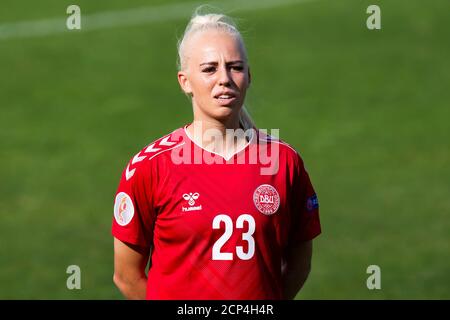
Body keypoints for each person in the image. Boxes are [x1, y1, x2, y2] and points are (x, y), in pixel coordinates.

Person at [111, 9, 321, 300]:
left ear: (249, 74)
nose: (224, 79)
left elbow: (299, 263)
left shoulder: (284, 163)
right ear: (185, 81)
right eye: (209, 69)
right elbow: (127, 276)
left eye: (234, 67)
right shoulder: (149, 167)